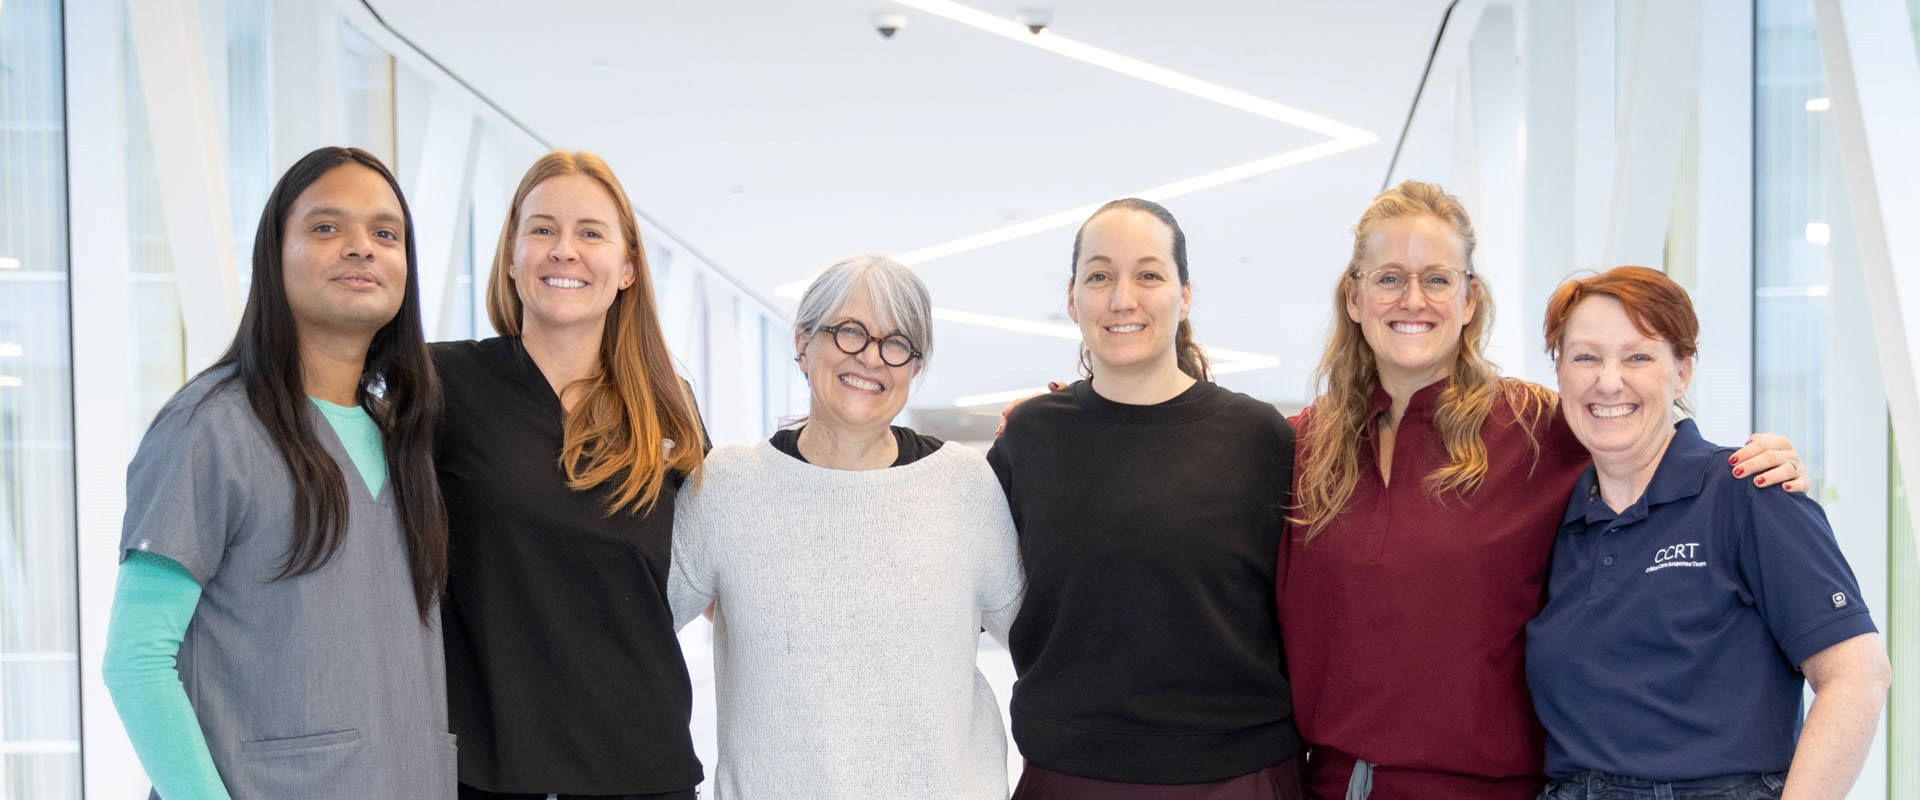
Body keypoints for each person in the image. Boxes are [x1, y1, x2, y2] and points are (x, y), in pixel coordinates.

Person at [1279, 181, 1808, 800]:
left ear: (1471, 298)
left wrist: (1752, 461)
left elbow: (1644, 434)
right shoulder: (1295, 449)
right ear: (1354, 295)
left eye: (1439, 279)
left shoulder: (1541, 430)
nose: (1413, 299)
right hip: (1328, 786)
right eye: (1390, 277)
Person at [102, 146, 453, 799]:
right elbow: (136, 660)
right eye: (326, 227)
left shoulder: (403, 441)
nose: (361, 248)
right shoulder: (210, 427)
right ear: (274, 256)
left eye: (386, 233)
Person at [1526, 266, 1889, 800]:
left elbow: (1857, 676)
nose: (1608, 380)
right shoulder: (1556, 520)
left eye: (1639, 356)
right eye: (1585, 357)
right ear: (1558, 371)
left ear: (1683, 372)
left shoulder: (1748, 491)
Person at [667, 254, 1023, 798]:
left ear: (915, 366)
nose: (872, 358)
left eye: (897, 342)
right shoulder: (726, 486)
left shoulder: (966, 484)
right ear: (803, 343)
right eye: (850, 332)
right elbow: (635, 630)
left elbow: (1042, 640)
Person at [990, 198, 1304, 798]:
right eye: (1100, 275)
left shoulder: (1260, 437)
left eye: (1149, 274)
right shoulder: (1030, 437)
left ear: (1185, 296)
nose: (1122, 298)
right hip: (1070, 773)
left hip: (1238, 774)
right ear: (1073, 296)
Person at [433, 151, 708, 799]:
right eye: (541, 229)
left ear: (628, 267)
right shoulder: (443, 386)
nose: (564, 250)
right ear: (509, 256)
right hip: (486, 770)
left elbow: (716, 572)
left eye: (590, 232)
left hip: (642, 768)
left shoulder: (668, 410)